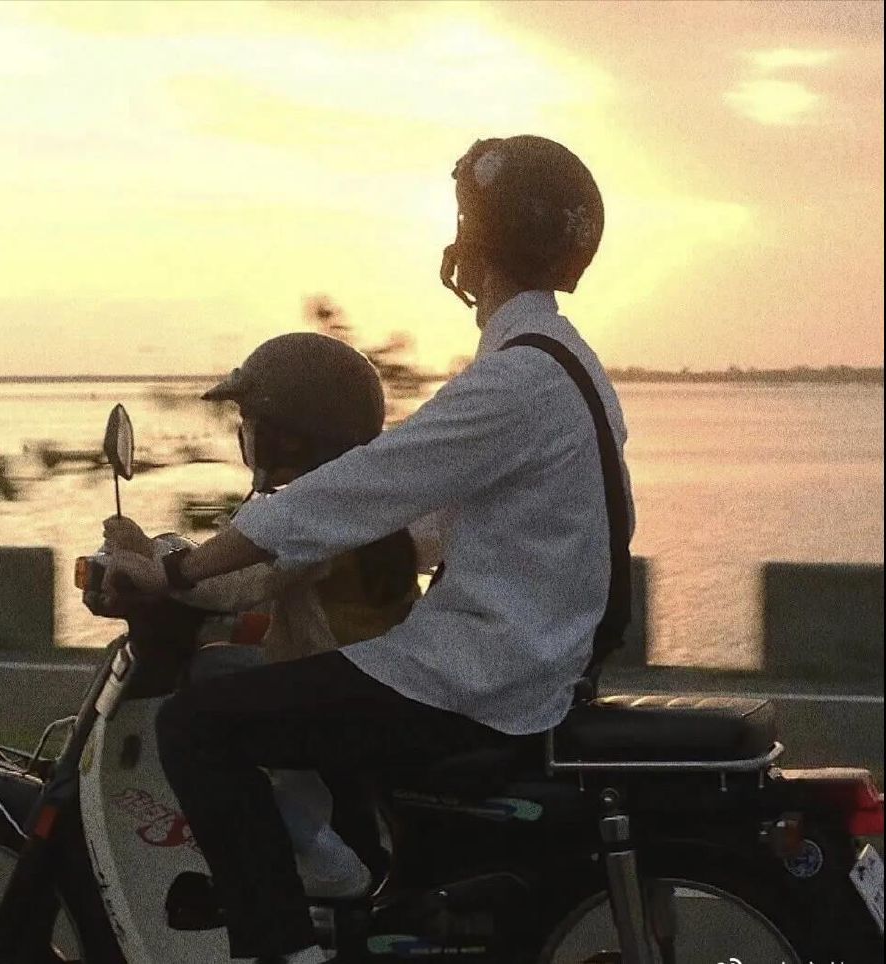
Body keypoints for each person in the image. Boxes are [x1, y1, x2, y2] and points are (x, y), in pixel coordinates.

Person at [105, 134, 635, 964]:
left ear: (476, 241)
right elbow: (428, 516)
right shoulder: (567, 366)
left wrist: (178, 567)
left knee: (198, 726)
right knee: (254, 689)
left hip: (480, 676)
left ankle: (284, 948)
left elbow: (355, 489)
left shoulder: (516, 380)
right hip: (528, 660)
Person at [106, 332, 419, 895]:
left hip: (336, 683)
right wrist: (160, 555)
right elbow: (267, 586)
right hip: (346, 668)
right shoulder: (358, 496)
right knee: (214, 665)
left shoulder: (316, 512)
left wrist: (151, 562)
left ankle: (329, 865)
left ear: (291, 437)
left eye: (250, 421)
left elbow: (236, 583)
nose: (242, 432)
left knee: (199, 724)